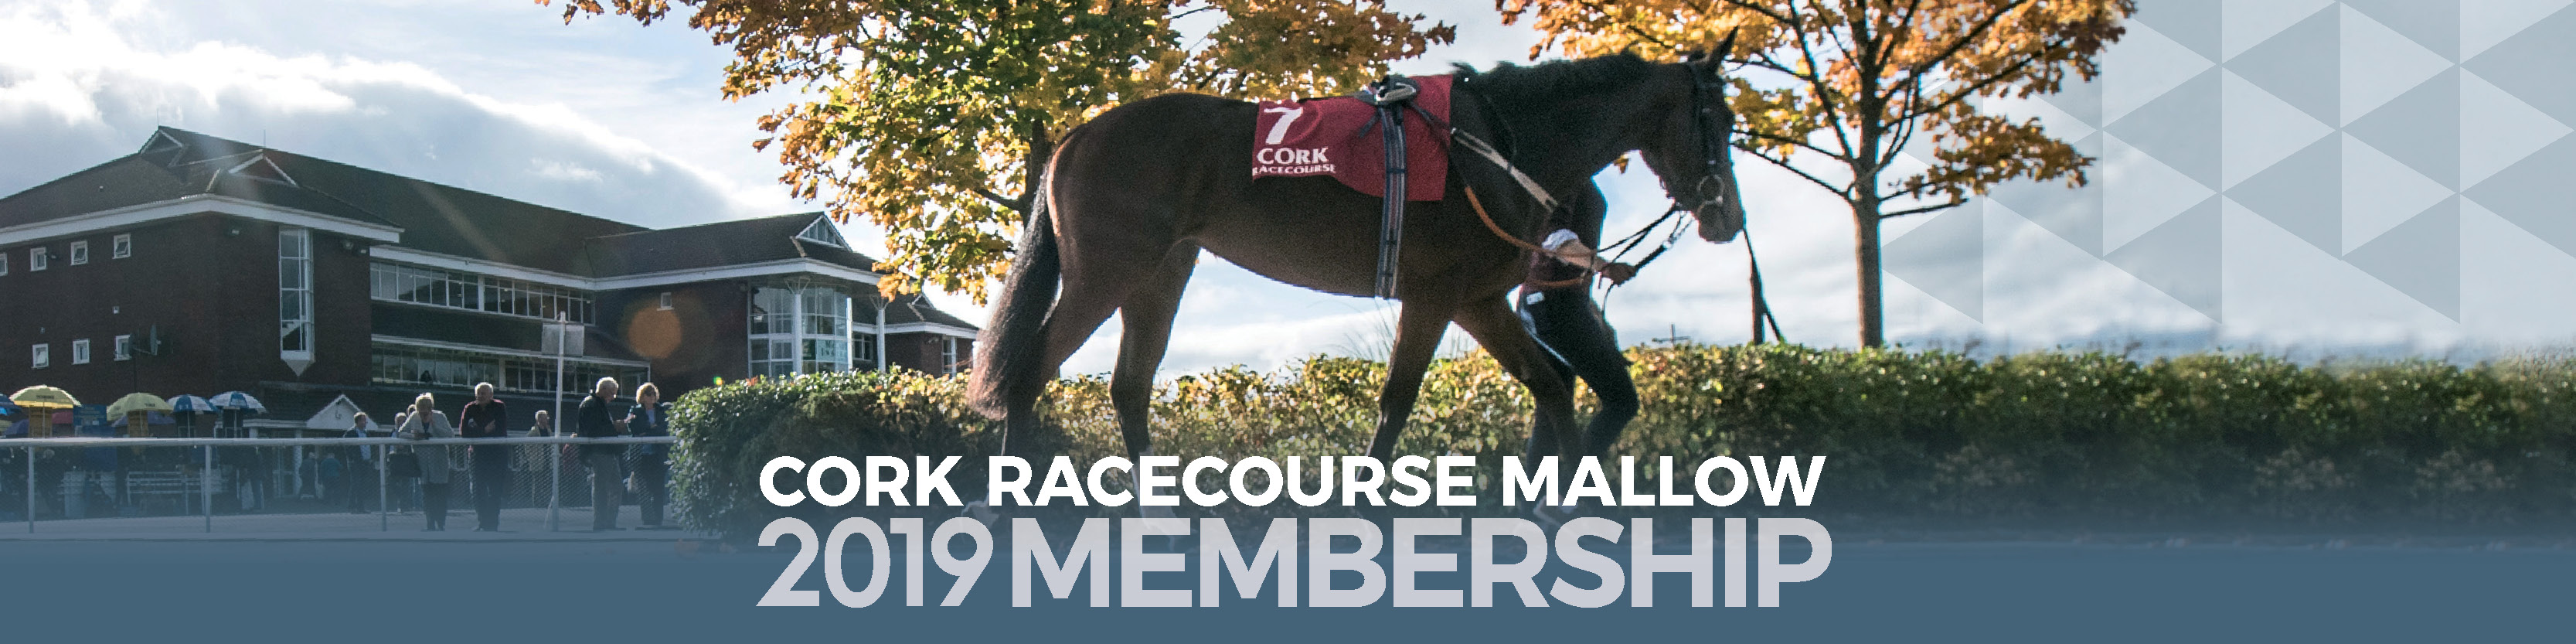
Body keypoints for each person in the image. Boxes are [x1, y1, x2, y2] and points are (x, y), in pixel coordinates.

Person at [1519, 185, 1641, 523]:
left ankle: (1532, 512)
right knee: (1621, 401)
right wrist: (1604, 265)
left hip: (1548, 305)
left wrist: (1594, 315)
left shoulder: (1577, 172)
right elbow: (1554, 239)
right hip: (1555, 308)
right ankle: (1563, 499)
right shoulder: (1564, 170)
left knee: (1552, 410)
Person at [573, 378, 630, 531]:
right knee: (601, 487)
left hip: (607, 451)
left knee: (616, 486)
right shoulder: (591, 405)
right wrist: (614, 427)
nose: (613, 397)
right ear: (603, 390)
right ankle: (601, 522)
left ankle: (609, 521)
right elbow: (594, 431)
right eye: (612, 393)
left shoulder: (597, 404)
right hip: (599, 451)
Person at [394, 394, 455, 531]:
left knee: (439, 493)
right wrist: (415, 436)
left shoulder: (440, 416)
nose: (422, 413)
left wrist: (434, 426)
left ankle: (441, 523)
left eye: (425, 410)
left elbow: (450, 435)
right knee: (427, 494)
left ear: (430, 408)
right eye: (420, 410)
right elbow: (401, 433)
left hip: (439, 462)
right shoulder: (414, 417)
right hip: (422, 462)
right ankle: (430, 523)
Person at [458, 383, 510, 532]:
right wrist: (485, 430)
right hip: (477, 455)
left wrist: (477, 431)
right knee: (478, 490)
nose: (481, 396)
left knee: (495, 490)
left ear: (491, 395)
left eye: (484, 393)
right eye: (479, 393)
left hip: (497, 455)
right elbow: (464, 433)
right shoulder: (470, 408)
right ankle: (482, 521)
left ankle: (493, 523)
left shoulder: (499, 407)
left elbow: (500, 430)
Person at [625, 383, 672, 529]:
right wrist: (650, 428)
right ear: (642, 396)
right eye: (648, 394)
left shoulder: (661, 410)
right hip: (642, 455)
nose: (652, 397)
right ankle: (647, 518)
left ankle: (658, 518)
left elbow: (663, 428)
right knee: (644, 487)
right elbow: (633, 427)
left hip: (657, 454)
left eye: (654, 394)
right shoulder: (635, 410)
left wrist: (648, 431)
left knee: (658, 487)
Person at [343, 413, 376, 513]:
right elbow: (347, 447)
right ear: (357, 421)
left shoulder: (367, 433)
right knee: (356, 484)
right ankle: (352, 506)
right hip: (356, 463)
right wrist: (352, 458)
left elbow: (371, 447)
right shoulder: (351, 433)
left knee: (363, 485)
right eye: (363, 420)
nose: (365, 423)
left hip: (366, 463)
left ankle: (361, 507)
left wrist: (371, 458)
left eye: (365, 420)